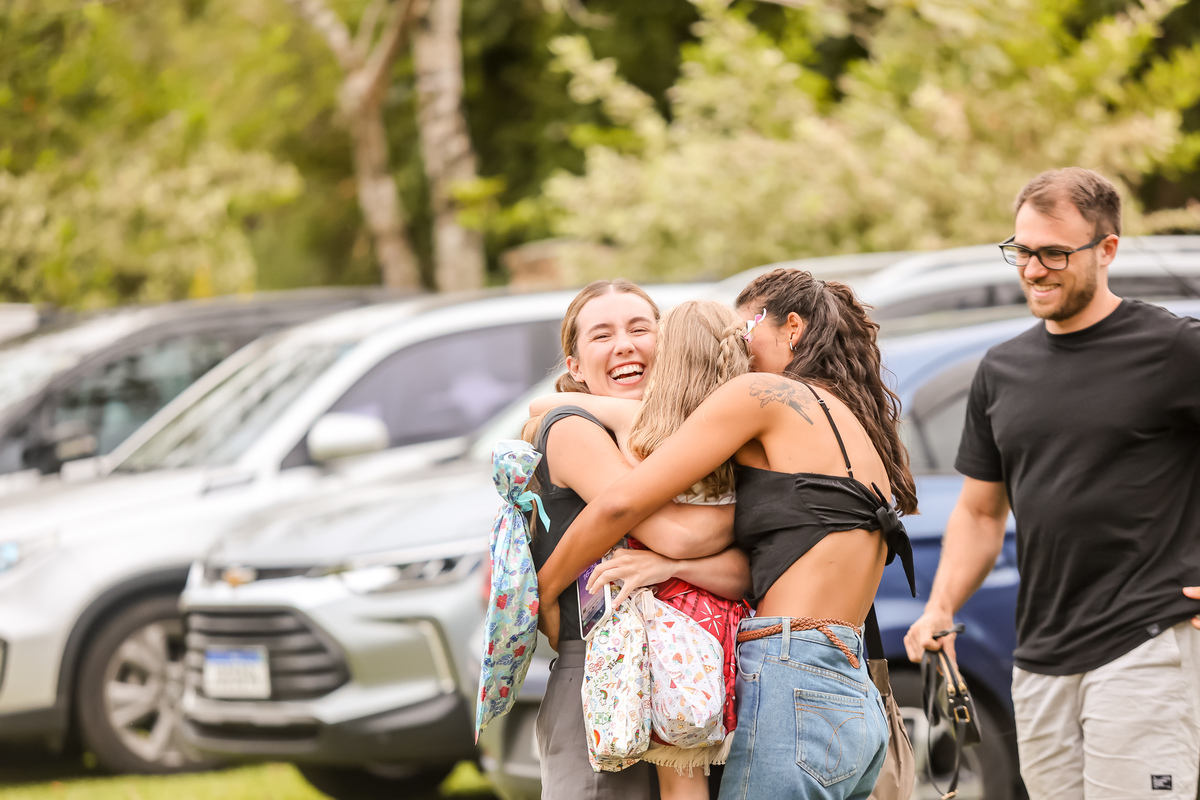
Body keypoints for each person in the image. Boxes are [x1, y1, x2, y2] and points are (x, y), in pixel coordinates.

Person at [537, 268, 918, 799]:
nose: (736, 346)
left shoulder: (760, 395)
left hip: (791, 670)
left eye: (746, 329)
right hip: (848, 678)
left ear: (791, 329)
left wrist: (541, 594)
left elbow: (623, 503)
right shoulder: (840, 414)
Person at [902, 167, 1200, 800]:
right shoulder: (1001, 370)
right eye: (1022, 251)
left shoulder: (1173, 349)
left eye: (1054, 253)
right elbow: (981, 513)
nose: (1033, 270)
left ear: (1107, 248)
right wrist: (942, 605)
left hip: (1146, 642)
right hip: (1038, 656)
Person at [529, 279, 749, 800]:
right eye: (602, 335)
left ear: (666, 345)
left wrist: (670, 565)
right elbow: (674, 532)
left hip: (692, 677)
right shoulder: (572, 428)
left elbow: (743, 569)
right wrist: (743, 514)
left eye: (639, 328)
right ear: (575, 365)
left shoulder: (693, 439)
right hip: (602, 676)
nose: (624, 344)